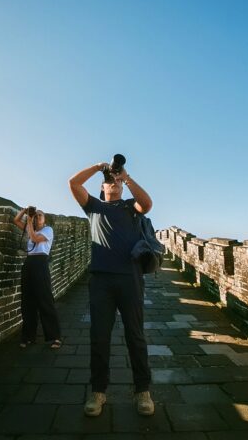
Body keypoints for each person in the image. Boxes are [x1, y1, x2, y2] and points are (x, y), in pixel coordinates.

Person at [69, 161, 155, 417]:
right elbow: (73, 183)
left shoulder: (131, 207)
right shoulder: (93, 206)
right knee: (99, 337)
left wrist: (126, 178)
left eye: (116, 180)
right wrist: (98, 167)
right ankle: (98, 392)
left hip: (130, 278)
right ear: (102, 186)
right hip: (101, 281)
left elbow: (147, 204)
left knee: (135, 336)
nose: (113, 183)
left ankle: (143, 391)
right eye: (110, 180)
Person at [13, 207, 62, 349]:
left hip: (41, 263)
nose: (37, 217)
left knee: (45, 299)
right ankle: (28, 336)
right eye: (36, 215)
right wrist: (25, 211)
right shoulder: (30, 228)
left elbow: (34, 238)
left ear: (44, 219)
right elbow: (16, 220)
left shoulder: (48, 230)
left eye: (40, 215)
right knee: (27, 301)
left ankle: (55, 337)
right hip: (29, 263)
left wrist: (29, 221)